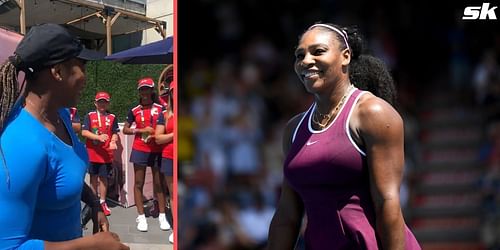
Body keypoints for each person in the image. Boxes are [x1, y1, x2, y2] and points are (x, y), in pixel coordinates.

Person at [266, 23, 421, 249]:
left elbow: (387, 203)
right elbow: (287, 214)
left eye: (318, 51)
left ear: (345, 56)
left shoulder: (372, 114)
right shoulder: (294, 129)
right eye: (300, 55)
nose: (306, 61)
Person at [0, 23, 128, 249]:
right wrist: (91, 246)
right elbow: (8, 247)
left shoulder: (61, 116)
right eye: (82, 67)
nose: (85, 78)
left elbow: (62, 176)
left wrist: (92, 202)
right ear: (58, 72)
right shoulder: (20, 144)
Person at [122, 77, 170, 232]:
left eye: (147, 89)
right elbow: (125, 129)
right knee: (138, 183)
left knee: (159, 184)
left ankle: (163, 215)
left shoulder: (161, 108)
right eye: (142, 89)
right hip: (140, 149)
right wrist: (141, 130)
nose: (144, 92)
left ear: (152, 90)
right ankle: (141, 216)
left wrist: (156, 135)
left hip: (156, 150)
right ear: (139, 91)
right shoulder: (134, 110)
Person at [81, 91, 119, 216]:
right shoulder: (90, 116)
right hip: (93, 153)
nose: (102, 104)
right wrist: (97, 138)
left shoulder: (112, 117)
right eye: (100, 102)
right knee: (93, 178)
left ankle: (102, 201)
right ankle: (92, 200)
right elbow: (84, 132)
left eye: (104, 102)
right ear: (95, 103)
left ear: (108, 103)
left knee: (104, 179)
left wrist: (113, 140)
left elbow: (115, 132)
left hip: (106, 155)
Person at [155, 80, 175, 243]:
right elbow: (158, 138)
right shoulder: (165, 115)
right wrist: (174, 135)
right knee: (174, 194)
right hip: (169, 158)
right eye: (174, 91)